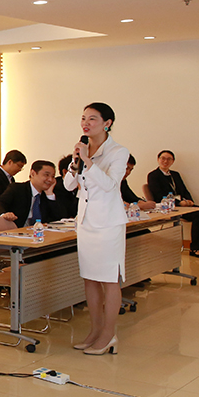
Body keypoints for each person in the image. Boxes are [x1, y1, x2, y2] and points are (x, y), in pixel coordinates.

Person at [65, 102, 129, 355]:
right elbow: (69, 185)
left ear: (107, 123)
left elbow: (111, 185)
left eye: (92, 118)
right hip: (86, 223)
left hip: (108, 224)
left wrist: (88, 161)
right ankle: (94, 330)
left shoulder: (118, 152)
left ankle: (108, 333)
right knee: (90, 279)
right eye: (83, 118)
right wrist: (75, 163)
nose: (86, 123)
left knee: (109, 280)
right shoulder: (82, 150)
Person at [147, 149, 199, 256]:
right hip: (167, 207)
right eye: (163, 158)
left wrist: (189, 201)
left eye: (169, 159)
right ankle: (195, 248)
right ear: (158, 159)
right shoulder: (153, 175)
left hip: (182, 205)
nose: (165, 161)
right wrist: (180, 203)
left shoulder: (175, 175)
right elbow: (158, 195)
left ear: (173, 161)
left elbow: (184, 190)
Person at [0, 160, 62, 227]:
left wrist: (50, 194)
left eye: (53, 176)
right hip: (16, 231)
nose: (50, 179)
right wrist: (4, 214)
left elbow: (58, 219)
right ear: (33, 173)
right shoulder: (17, 189)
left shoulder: (48, 194)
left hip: (38, 232)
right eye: (46, 175)